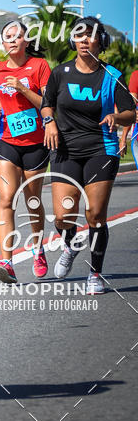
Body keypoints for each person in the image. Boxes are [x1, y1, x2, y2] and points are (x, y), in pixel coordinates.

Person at [41, 16, 135, 294]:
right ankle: (70, 244)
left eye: (89, 35)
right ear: (73, 40)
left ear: (100, 41)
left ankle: (95, 273)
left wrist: (116, 117)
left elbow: (131, 112)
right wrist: (50, 122)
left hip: (101, 149)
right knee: (63, 216)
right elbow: (47, 105)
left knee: (95, 214)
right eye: (78, 35)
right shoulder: (60, 73)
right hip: (65, 150)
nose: (84, 40)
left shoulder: (112, 76)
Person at [0, 20, 51, 281]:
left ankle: (38, 248)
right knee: (6, 198)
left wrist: (22, 88)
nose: (11, 40)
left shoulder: (39, 66)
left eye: (17, 36)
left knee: (33, 201)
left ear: (26, 41)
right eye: (7, 37)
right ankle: (7, 262)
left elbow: (48, 103)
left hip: (35, 143)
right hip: (6, 142)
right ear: (2, 43)